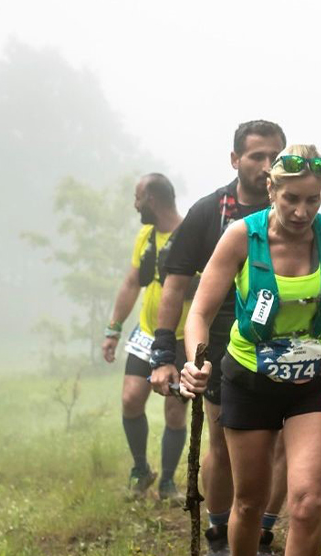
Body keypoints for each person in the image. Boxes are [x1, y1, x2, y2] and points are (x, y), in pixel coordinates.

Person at [180, 144, 321, 556]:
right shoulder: (243, 236)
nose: (301, 211)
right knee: (248, 502)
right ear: (271, 190)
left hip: (313, 382)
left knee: (308, 503)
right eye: (291, 199)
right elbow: (200, 313)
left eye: (312, 200)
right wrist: (195, 360)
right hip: (247, 378)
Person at [148, 120, 290, 555]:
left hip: (285, 345)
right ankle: (219, 533)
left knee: (281, 445)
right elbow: (175, 284)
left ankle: (261, 531)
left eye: (274, 158)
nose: (267, 167)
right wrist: (164, 353)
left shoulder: (295, 212)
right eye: (256, 157)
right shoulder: (209, 213)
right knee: (224, 445)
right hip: (223, 347)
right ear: (235, 160)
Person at [101, 173, 192, 500]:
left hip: (183, 338)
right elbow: (131, 283)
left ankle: (168, 482)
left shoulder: (190, 235)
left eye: (138, 197)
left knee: (174, 410)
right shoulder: (146, 236)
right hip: (146, 332)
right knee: (130, 399)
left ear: (152, 200)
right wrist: (114, 328)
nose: (135, 204)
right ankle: (141, 469)